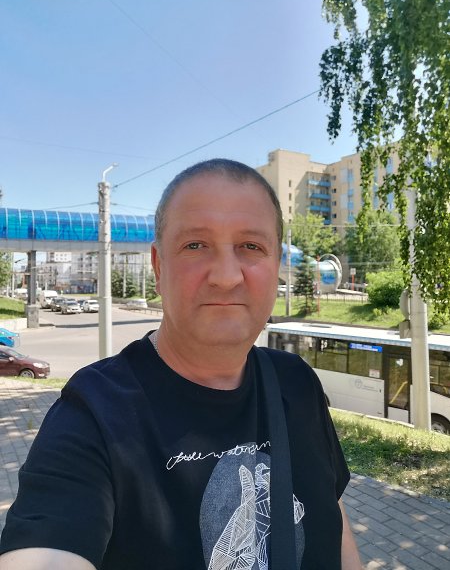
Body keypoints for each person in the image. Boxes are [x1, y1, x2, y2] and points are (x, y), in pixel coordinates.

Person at [0, 159, 362, 569]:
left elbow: (332, 520)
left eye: (251, 246)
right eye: (195, 245)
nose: (226, 276)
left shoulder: (297, 383)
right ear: (158, 266)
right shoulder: (94, 415)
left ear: (276, 265)